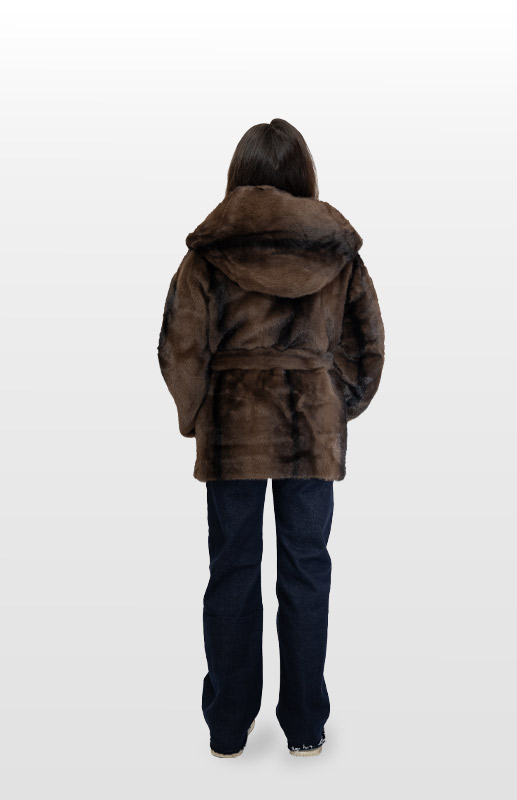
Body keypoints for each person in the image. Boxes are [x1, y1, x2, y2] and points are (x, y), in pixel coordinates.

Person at [157, 118, 385, 758]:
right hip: (311, 431)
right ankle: (306, 726)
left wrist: (198, 416)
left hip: (233, 433)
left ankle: (228, 728)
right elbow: (367, 346)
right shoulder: (337, 252)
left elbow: (180, 349)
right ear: (303, 174)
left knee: (232, 570)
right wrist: (334, 403)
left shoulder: (208, 253)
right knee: (306, 572)